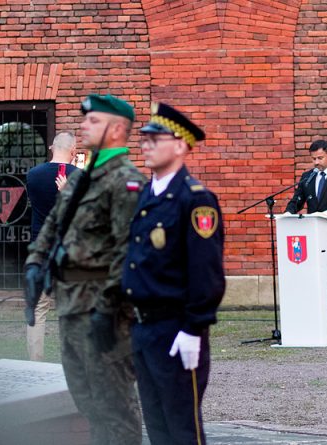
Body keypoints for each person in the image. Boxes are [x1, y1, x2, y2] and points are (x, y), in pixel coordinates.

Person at [25, 94, 145, 444]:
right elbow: (52, 230)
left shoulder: (127, 181)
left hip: (106, 311)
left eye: (93, 121)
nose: (84, 126)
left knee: (115, 402)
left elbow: (129, 254)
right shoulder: (78, 180)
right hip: (73, 305)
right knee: (84, 397)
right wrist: (35, 265)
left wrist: (107, 308)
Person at [116, 102, 225, 444]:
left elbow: (205, 271)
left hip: (176, 329)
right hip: (143, 327)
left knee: (181, 429)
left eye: (155, 138)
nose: (145, 145)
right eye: (144, 139)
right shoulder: (146, 195)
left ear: (180, 145)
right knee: (157, 426)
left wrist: (194, 327)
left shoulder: (195, 199)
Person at [285, 139, 327, 342]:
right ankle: (315, 325)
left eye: (320, 158)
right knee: (316, 283)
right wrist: (289, 212)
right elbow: (298, 199)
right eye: (313, 158)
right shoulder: (307, 177)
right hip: (313, 239)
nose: (316, 162)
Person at [24, 131, 79, 361]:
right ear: (74, 151)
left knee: (38, 308)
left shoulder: (33, 175)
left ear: (51, 147)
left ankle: (35, 363)